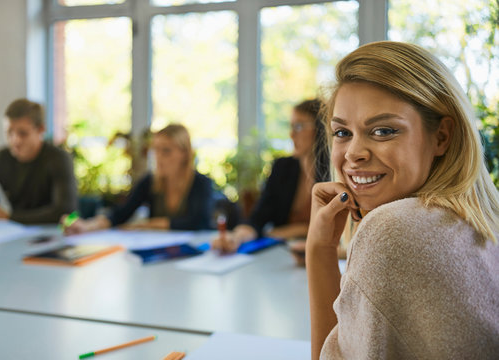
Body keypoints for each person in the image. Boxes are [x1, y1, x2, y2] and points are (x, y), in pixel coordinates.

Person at [306, 41, 499, 359]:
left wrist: (319, 252)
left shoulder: (393, 228)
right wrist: (322, 246)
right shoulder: (476, 219)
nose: (354, 153)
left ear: (442, 136)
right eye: (342, 133)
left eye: (383, 131)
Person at [212, 99, 330, 253]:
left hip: (323, 255)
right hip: (283, 255)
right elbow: (257, 219)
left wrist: (298, 230)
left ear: (321, 129)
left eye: (299, 126)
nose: (292, 134)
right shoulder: (282, 168)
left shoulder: (334, 171)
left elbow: (334, 229)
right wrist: (236, 236)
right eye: (291, 126)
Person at [63, 124, 213, 233]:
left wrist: (146, 225)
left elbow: (198, 222)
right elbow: (121, 214)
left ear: (185, 154)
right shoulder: (150, 182)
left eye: (166, 151)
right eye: (156, 150)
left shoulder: (201, 183)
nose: (158, 158)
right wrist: (87, 226)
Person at [0, 98, 77, 224]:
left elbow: (65, 211)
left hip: (55, 235)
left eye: (23, 133)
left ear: (41, 130)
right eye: (9, 133)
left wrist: (10, 217)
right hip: (16, 235)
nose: (15, 141)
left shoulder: (59, 159)